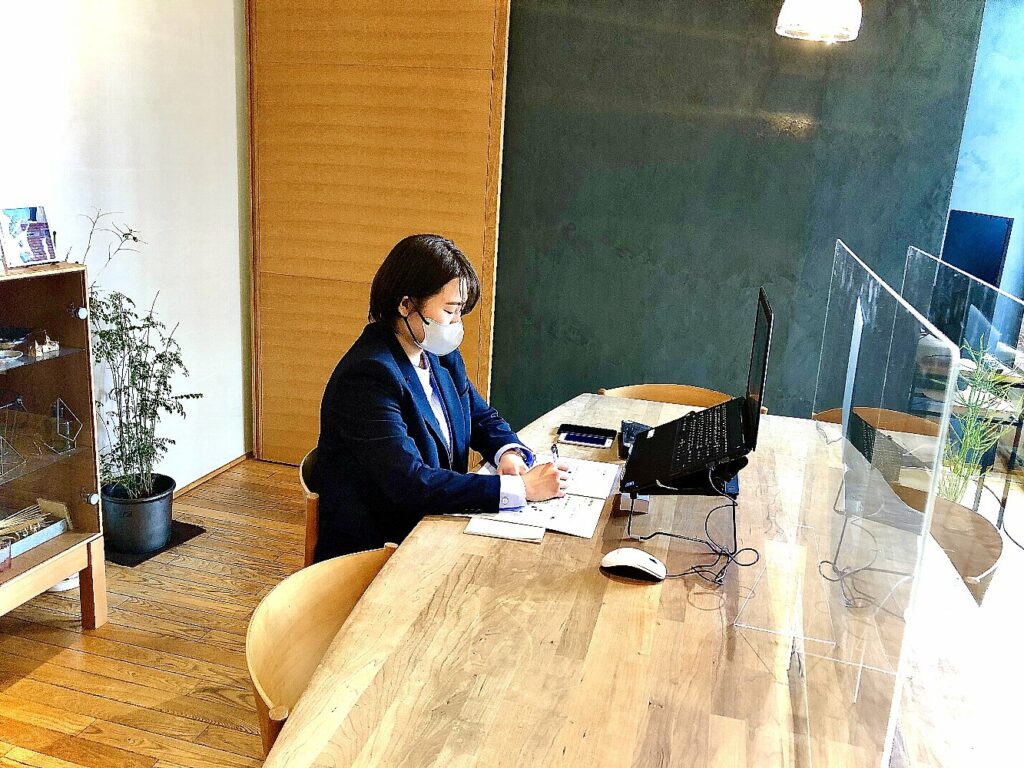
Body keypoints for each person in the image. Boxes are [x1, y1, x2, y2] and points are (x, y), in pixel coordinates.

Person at [312, 234, 569, 560]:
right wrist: (520, 488)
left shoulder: (438, 354)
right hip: (381, 549)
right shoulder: (368, 377)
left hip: (433, 523)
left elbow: (479, 416)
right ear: (406, 305)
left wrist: (508, 453)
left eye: (460, 311)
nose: (456, 323)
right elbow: (410, 483)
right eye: (450, 310)